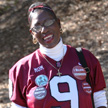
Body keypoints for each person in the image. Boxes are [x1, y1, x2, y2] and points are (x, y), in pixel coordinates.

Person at [9, 2, 107, 108]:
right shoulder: (21, 69)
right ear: (32, 33)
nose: (44, 30)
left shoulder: (86, 59)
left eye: (48, 22)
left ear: (59, 23)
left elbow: (99, 101)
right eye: (37, 27)